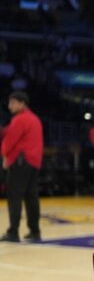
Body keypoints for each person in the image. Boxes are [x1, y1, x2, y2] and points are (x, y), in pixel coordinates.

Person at [2, 91, 44, 242]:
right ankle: (35, 231)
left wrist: (5, 156)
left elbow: (9, 141)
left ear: (22, 104)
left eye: (13, 103)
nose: (9, 106)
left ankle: (13, 232)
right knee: (32, 197)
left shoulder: (20, 119)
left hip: (20, 161)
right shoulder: (35, 119)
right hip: (34, 162)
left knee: (14, 196)